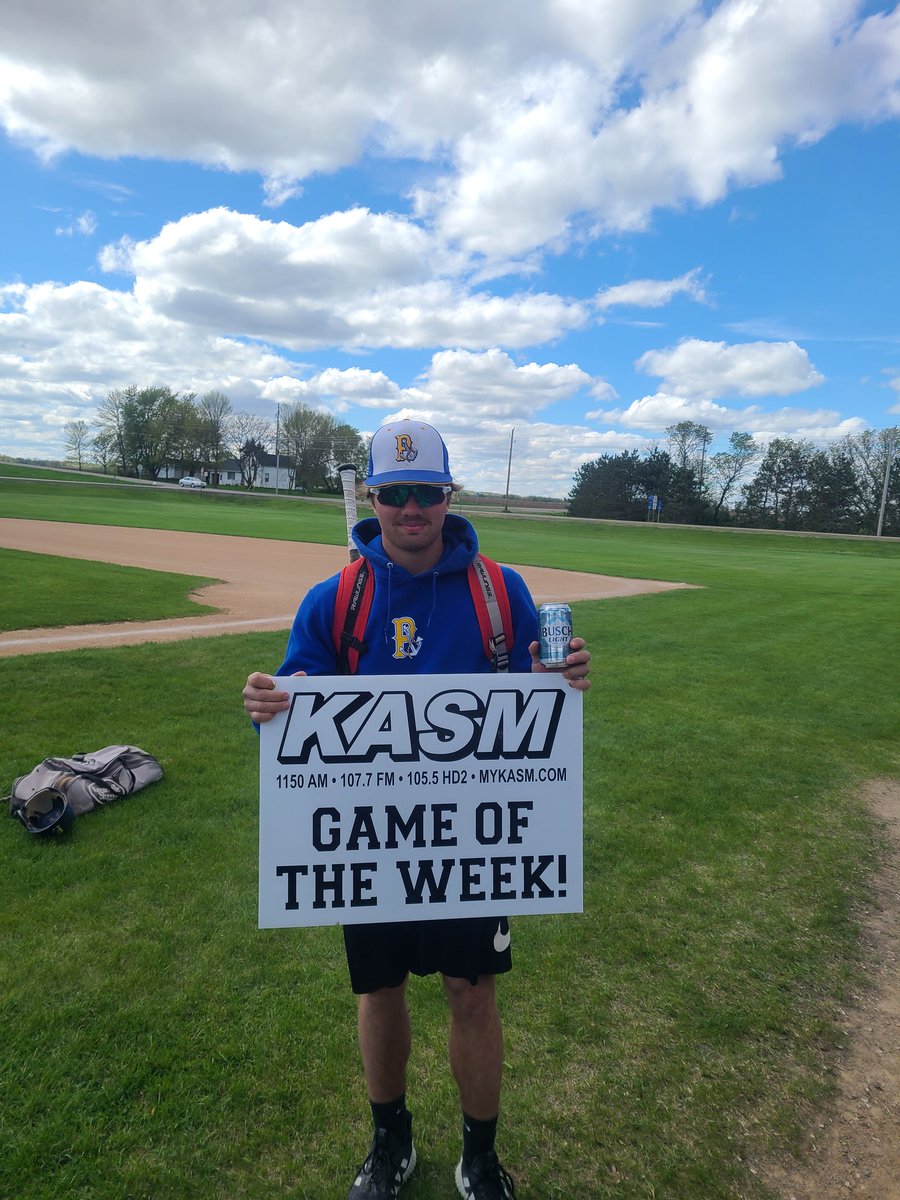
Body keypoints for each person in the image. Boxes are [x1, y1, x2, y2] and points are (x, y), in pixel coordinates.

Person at [243, 418, 591, 1200]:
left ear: (447, 496)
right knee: (381, 990)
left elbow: (540, 694)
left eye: (425, 493)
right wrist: (267, 703)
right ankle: (390, 1140)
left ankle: (480, 1154)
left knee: (473, 993)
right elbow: (300, 710)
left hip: (473, 842)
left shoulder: (502, 593)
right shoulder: (336, 599)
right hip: (374, 843)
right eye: (395, 493)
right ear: (373, 495)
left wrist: (565, 677)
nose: (410, 509)